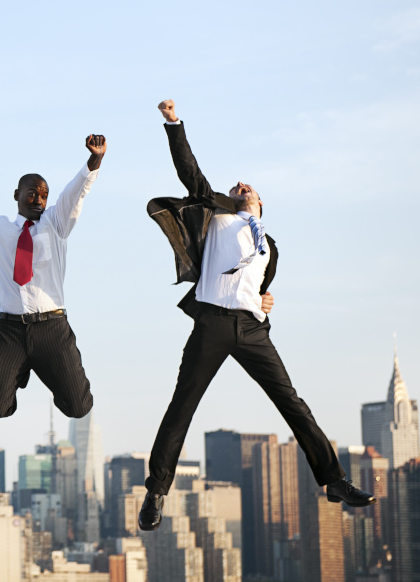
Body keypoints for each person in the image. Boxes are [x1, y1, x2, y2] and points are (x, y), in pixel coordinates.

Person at [137, 100, 374, 531]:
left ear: (262, 202)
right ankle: (156, 492)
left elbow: (262, 290)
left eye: (250, 186)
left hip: (251, 329)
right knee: (182, 406)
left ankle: (335, 480)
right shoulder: (217, 216)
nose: (242, 185)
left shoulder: (271, 247)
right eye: (238, 185)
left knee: (293, 404)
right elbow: (189, 170)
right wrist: (173, 124)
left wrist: (266, 302)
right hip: (211, 323)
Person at [0, 136, 107, 423]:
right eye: (32, 193)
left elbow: (77, 192)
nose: (38, 199)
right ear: (17, 194)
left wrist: (95, 160)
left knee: (79, 408)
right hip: (10, 331)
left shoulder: (56, 224)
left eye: (43, 195)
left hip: (51, 329)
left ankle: (36, 363)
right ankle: (7, 367)